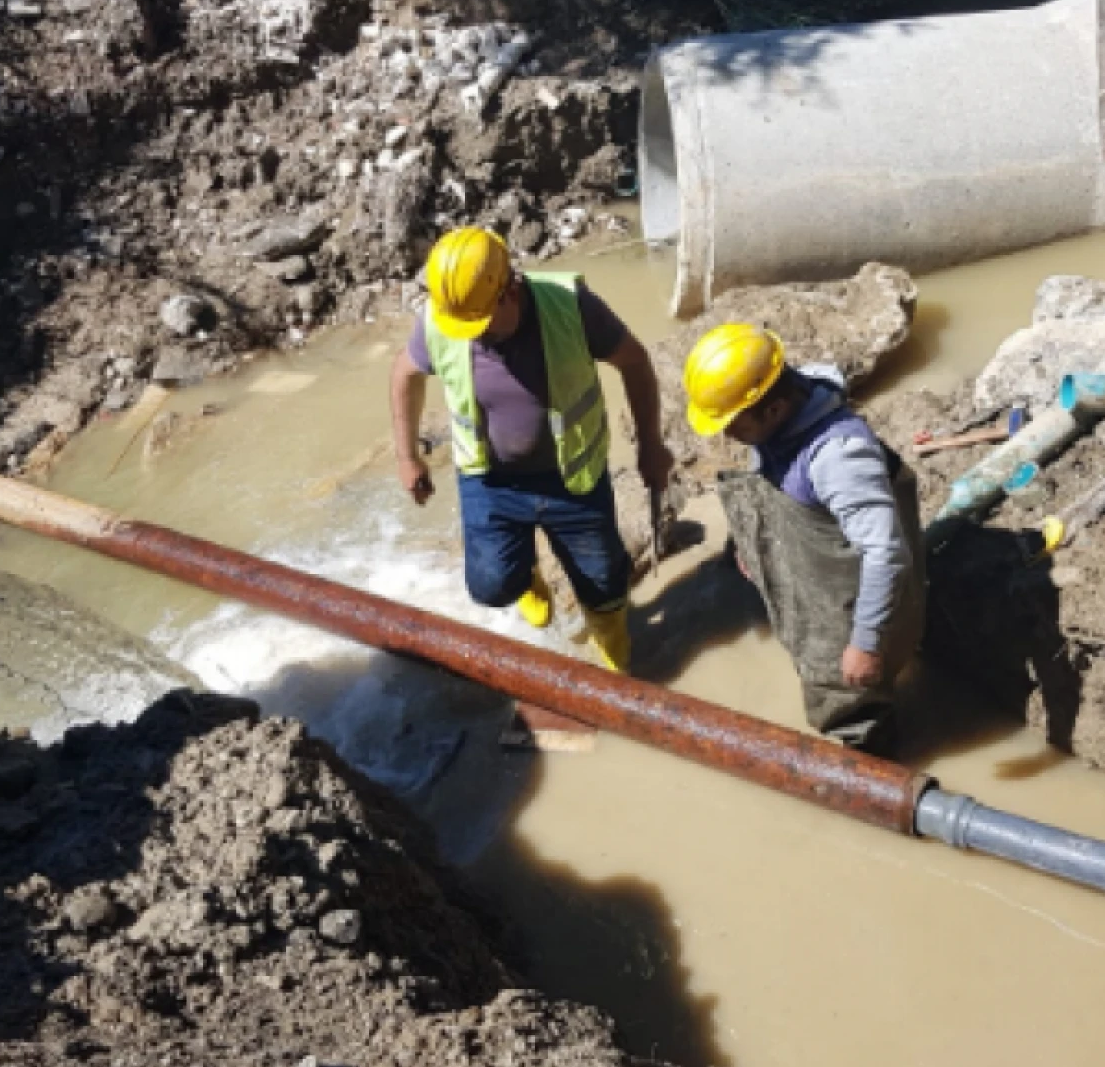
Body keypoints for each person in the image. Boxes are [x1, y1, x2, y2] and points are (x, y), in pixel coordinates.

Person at [389, 226, 673, 672]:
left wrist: (651, 444)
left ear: (510, 291)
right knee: (490, 586)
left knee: (604, 583)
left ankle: (611, 643)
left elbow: (635, 362)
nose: (471, 336)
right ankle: (526, 577)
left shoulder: (570, 306)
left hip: (573, 479)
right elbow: (404, 375)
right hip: (490, 480)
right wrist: (407, 456)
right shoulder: (442, 317)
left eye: (479, 322)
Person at [682, 323, 925, 747]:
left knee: (850, 702)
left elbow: (886, 553)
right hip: (810, 580)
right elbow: (766, 476)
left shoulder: (839, 458)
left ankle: (875, 770)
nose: (727, 433)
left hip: (847, 607)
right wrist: (750, 546)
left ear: (772, 410)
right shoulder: (782, 403)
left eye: (733, 424)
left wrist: (866, 643)